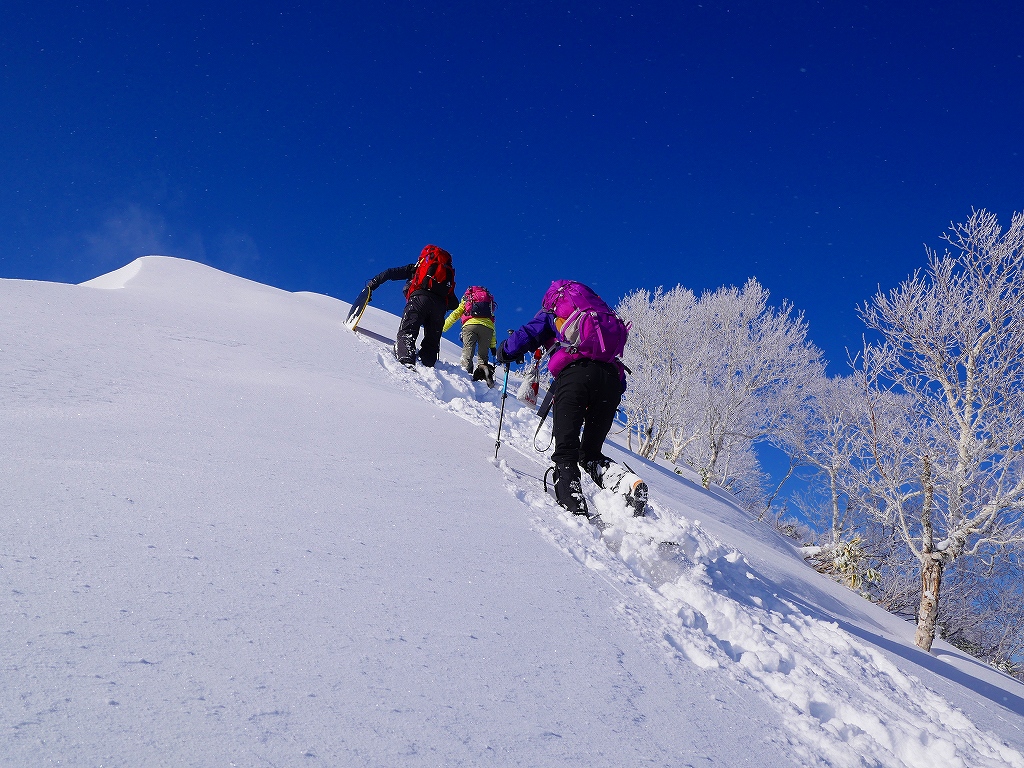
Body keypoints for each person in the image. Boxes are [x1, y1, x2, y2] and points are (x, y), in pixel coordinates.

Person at [496, 279, 639, 518]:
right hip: (611, 381)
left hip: (575, 377)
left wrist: (504, 351)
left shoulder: (553, 312)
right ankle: (626, 483)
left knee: (566, 451)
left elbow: (527, 335)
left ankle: (575, 509)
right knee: (591, 453)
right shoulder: (599, 314)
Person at [365, 245, 458, 368]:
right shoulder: (447, 275)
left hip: (419, 299)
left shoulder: (416, 268)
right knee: (432, 341)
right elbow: (454, 303)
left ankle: (406, 360)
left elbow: (389, 273)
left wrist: (372, 284)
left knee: (407, 331)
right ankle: (428, 363)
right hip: (439, 307)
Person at [443, 285, 497, 382]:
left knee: (467, 352)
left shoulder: (467, 299)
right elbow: (492, 323)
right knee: (483, 356)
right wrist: (493, 346)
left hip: (470, 326)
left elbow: (455, 314)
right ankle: (483, 371)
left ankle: (466, 376)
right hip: (487, 328)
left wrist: (443, 328)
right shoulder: (488, 304)